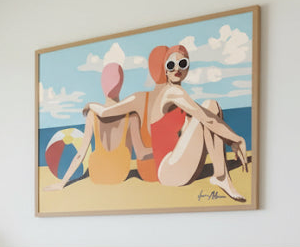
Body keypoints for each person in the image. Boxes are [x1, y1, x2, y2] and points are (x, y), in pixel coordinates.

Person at [90, 44, 249, 202]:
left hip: (174, 165)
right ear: (165, 70)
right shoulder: (172, 92)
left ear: (187, 68)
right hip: (168, 170)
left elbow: (208, 120)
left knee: (208, 109)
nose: (176, 69)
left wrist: (229, 139)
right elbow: (207, 118)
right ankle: (221, 176)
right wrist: (237, 139)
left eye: (182, 64)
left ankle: (220, 175)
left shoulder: (180, 99)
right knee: (209, 106)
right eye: (171, 65)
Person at [44, 62, 148, 190]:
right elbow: (141, 153)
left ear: (102, 84)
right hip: (119, 173)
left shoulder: (92, 115)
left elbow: (80, 154)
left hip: (96, 173)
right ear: (121, 84)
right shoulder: (131, 116)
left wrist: (62, 184)